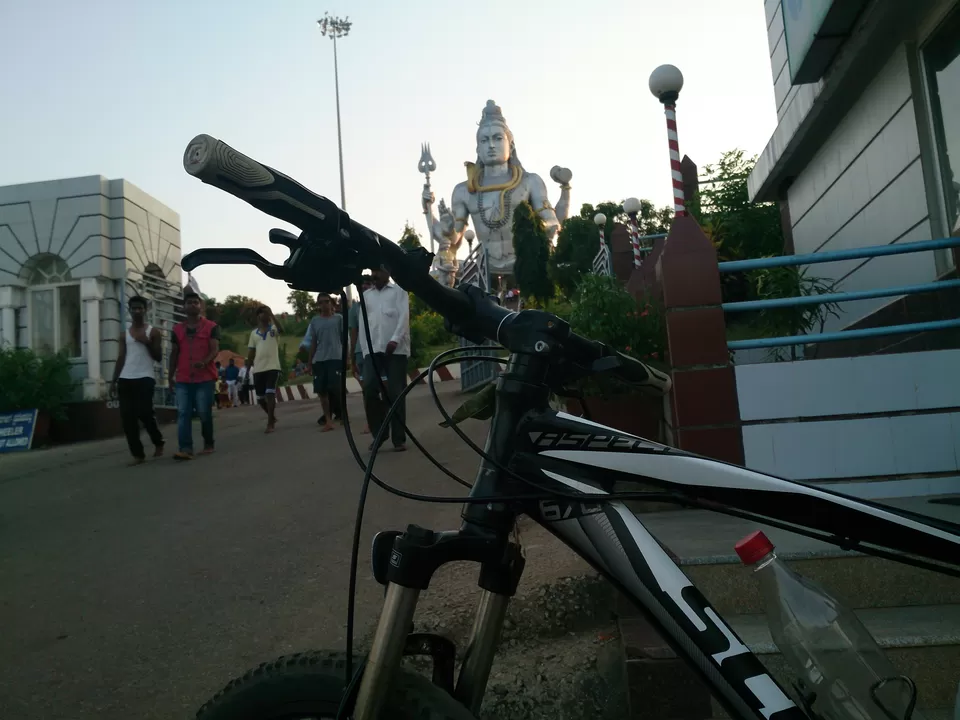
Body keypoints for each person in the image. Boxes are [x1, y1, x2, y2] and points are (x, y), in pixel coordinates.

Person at [357, 267, 410, 452]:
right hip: (373, 350)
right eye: (373, 271)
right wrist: (365, 351)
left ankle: (398, 438)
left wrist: (395, 340)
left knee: (396, 393)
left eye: (379, 270)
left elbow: (404, 317)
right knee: (369, 388)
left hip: (396, 349)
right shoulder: (366, 296)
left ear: (388, 272)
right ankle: (379, 433)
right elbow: (363, 325)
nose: (375, 274)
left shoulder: (399, 292)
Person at [110, 295, 165, 465]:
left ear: (145, 309)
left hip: (145, 377)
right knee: (127, 418)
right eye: (133, 308)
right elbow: (121, 357)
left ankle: (158, 441)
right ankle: (138, 454)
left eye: (140, 308)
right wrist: (113, 381)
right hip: (126, 378)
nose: (137, 311)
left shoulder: (153, 332)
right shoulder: (124, 334)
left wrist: (147, 342)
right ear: (130, 310)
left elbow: (159, 357)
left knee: (145, 413)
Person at [168, 290, 220, 460]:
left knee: (204, 412)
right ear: (183, 307)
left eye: (195, 302)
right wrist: (170, 377)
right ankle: (186, 448)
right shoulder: (176, 330)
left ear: (201, 306)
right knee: (183, 413)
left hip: (204, 378)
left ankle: (208, 443)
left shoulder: (211, 327)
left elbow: (214, 350)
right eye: (189, 302)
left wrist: (204, 362)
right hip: (183, 378)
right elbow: (174, 353)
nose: (192, 304)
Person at [302, 292, 343, 432]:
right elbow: (313, 342)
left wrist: (347, 357)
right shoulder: (315, 321)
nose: (324, 305)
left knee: (335, 388)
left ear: (331, 303)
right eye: (321, 302)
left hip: (335, 357)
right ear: (318, 305)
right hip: (319, 359)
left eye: (326, 301)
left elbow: (344, 339)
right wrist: (309, 363)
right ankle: (328, 419)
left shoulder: (339, 319)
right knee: (322, 391)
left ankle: (341, 413)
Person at [247, 305, 283, 433]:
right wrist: (247, 370)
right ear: (258, 316)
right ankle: (272, 417)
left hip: (273, 366)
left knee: (270, 393)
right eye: (262, 313)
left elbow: (282, 330)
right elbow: (251, 352)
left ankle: (270, 423)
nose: (265, 315)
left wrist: (272, 315)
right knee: (260, 398)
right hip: (258, 368)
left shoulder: (274, 329)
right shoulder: (253, 334)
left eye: (266, 313)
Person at [349, 275, 375, 434]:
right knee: (367, 389)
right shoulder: (354, 309)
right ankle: (371, 421)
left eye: (367, 283)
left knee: (383, 386)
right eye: (361, 284)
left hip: (379, 349)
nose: (364, 286)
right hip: (361, 352)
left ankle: (386, 417)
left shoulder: (378, 302)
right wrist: (351, 357)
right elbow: (353, 333)